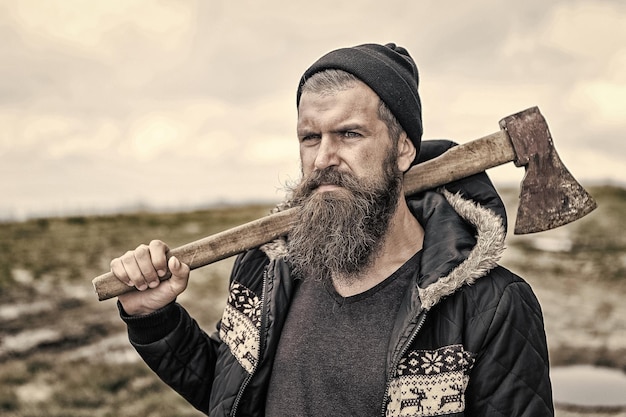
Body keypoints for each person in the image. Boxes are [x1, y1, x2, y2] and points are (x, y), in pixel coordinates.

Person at [110, 43, 554, 416]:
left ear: (402, 148)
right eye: (310, 137)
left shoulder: (490, 307)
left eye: (349, 134)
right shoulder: (267, 267)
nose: (323, 158)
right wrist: (155, 319)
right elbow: (232, 393)